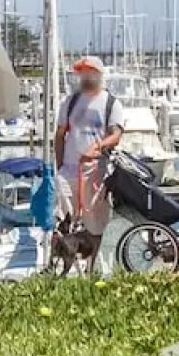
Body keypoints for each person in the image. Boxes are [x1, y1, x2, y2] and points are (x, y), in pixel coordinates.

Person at [52, 55, 125, 247]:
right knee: (63, 215)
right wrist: (59, 166)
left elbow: (116, 135)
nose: (85, 77)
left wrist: (98, 146)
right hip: (68, 169)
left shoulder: (111, 103)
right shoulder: (70, 102)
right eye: (82, 73)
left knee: (94, 218)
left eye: (89, 73)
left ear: (99, 75)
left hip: (95, 170)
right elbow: (60, 135)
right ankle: (63, 258)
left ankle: (92, 262)